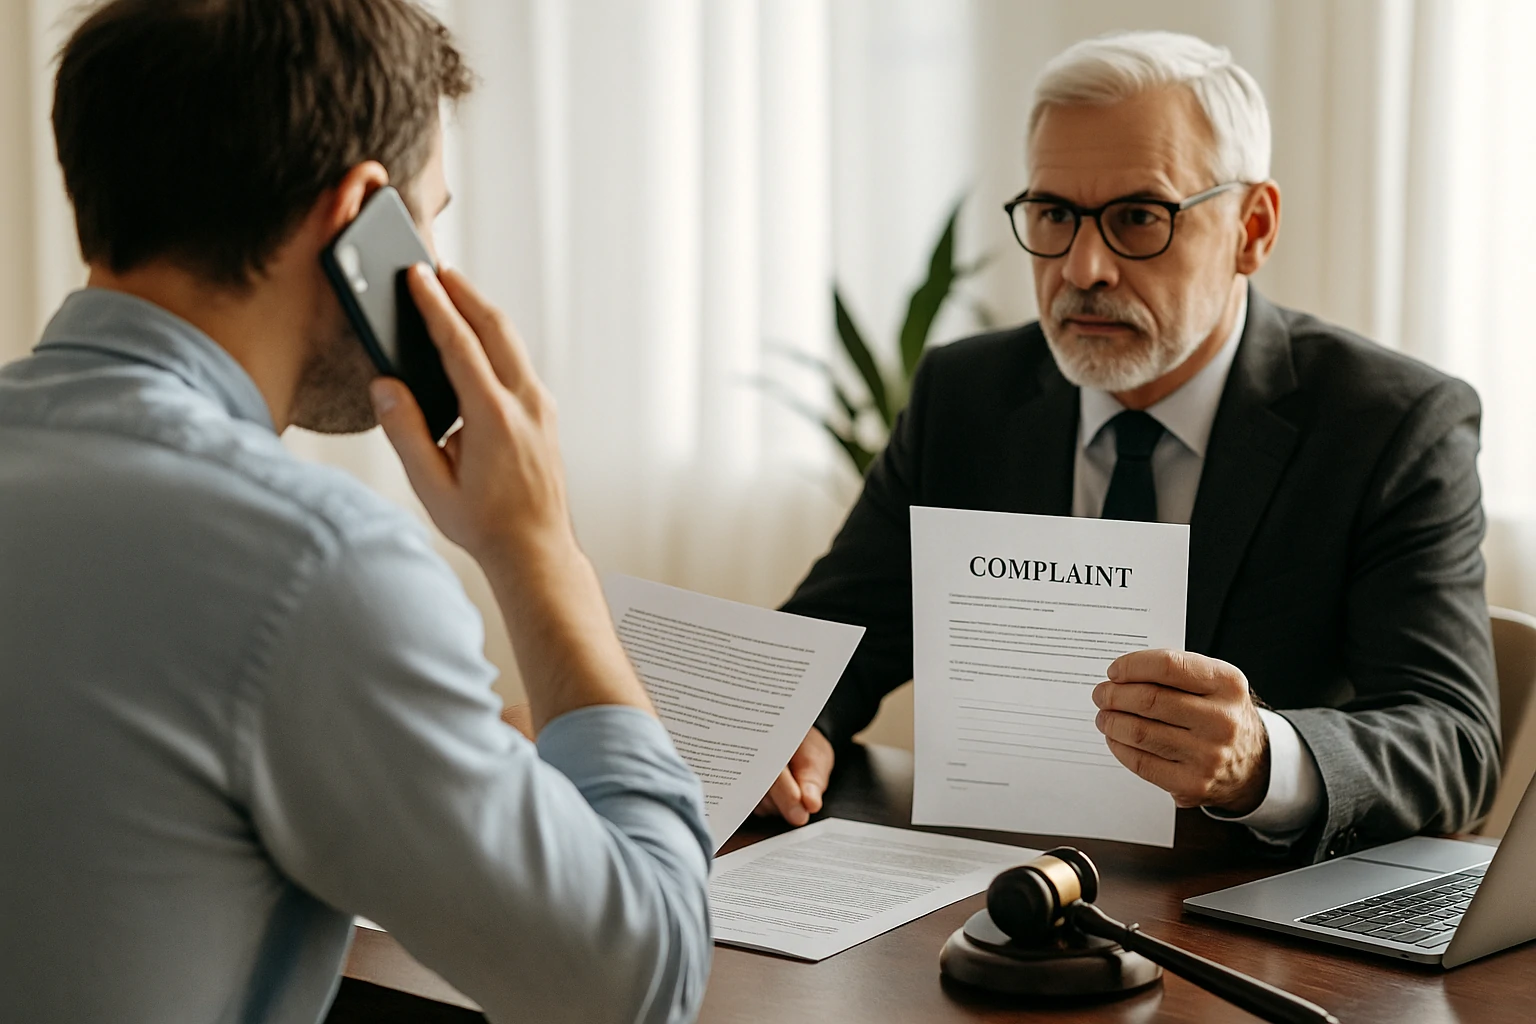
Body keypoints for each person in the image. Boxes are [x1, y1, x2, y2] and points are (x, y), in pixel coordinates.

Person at [0, 2, 709, 1022]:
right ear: (360, 218)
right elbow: (636, 985)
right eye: (432, 216)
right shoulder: (307, 561)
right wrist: (538, 551)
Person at [757, 30, 1501, 862]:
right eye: (1053, 214)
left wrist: (1261, 761)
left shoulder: (1389, 424)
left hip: (1241, 916)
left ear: (1252, 228)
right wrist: (796, 727)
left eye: (1139, 217)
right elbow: (834, 635)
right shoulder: (965, 396)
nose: (1084, 268)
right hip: (989, 886)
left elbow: (1454, 738)